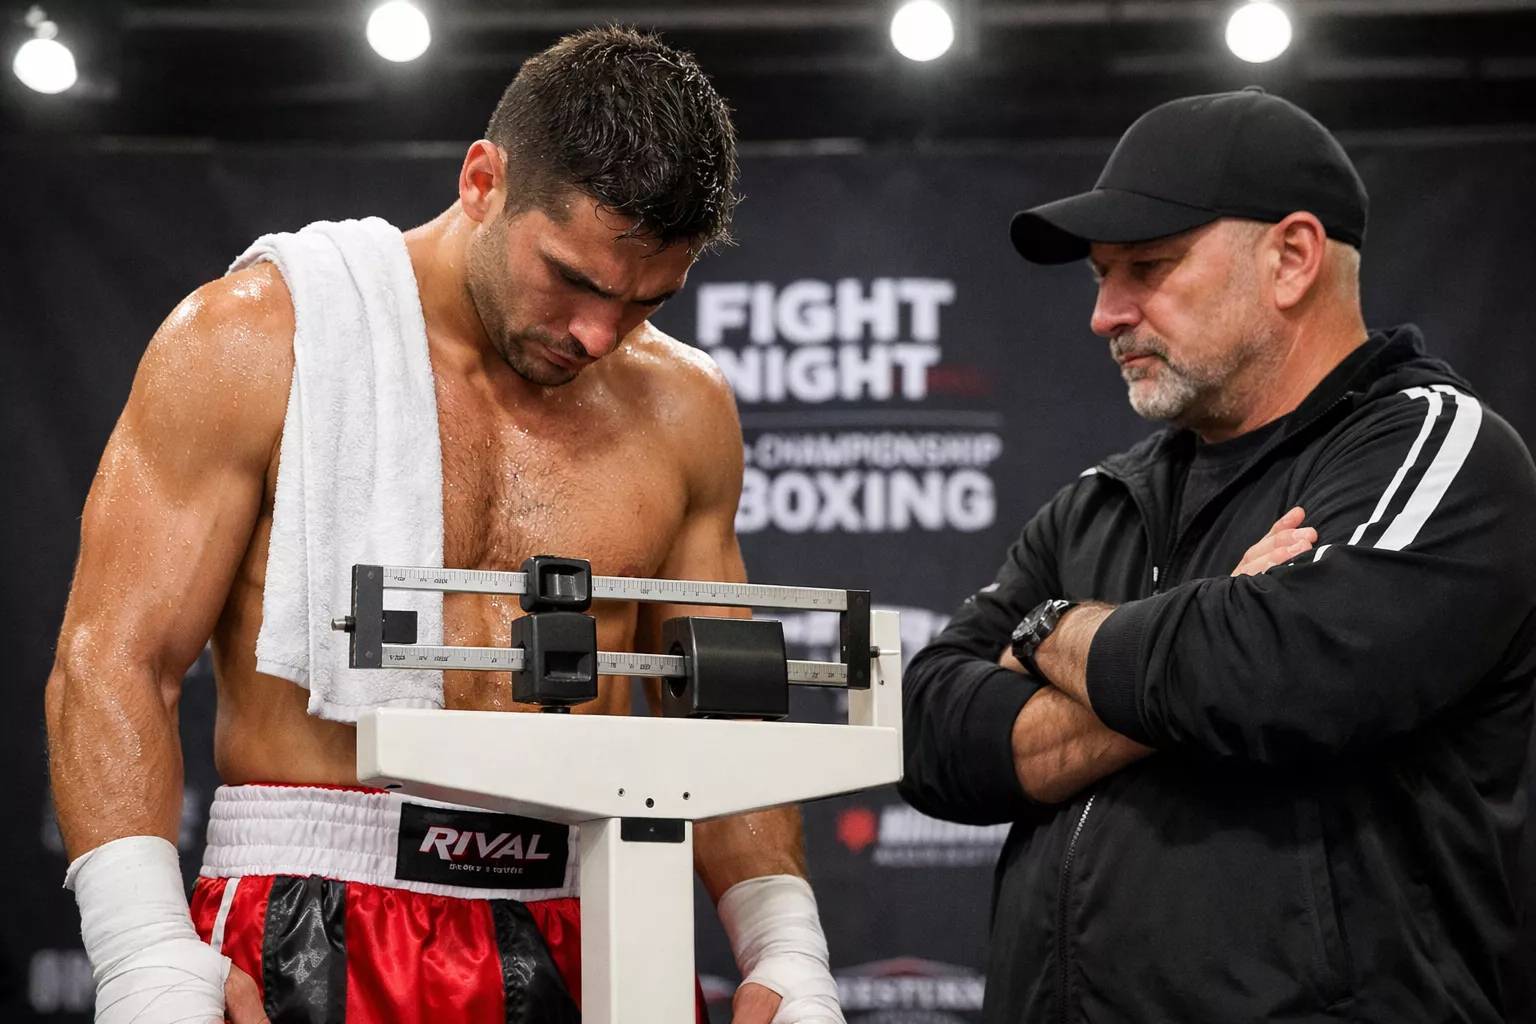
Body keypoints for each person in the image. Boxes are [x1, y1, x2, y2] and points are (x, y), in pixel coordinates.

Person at [45, 27, 843, 1024]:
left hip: (591, 916)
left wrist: (787, 949)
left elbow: (717, 707)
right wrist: (144, 952)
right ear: (482, 180)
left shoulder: (685, 408)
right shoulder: (250, 341)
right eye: (576, 280)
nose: (599, 334)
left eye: (645, 302)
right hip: (311, 915)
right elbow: (114, 656)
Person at [899, 87, 1536, 1023]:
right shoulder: (1103, 500)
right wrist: (1181, 639)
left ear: (1291, 258)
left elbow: (1272, 677)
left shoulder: (1440, 450)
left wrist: (1051, 635)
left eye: (1146, 267)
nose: (1105, 314)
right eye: (1098, 277)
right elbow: (929, 734)